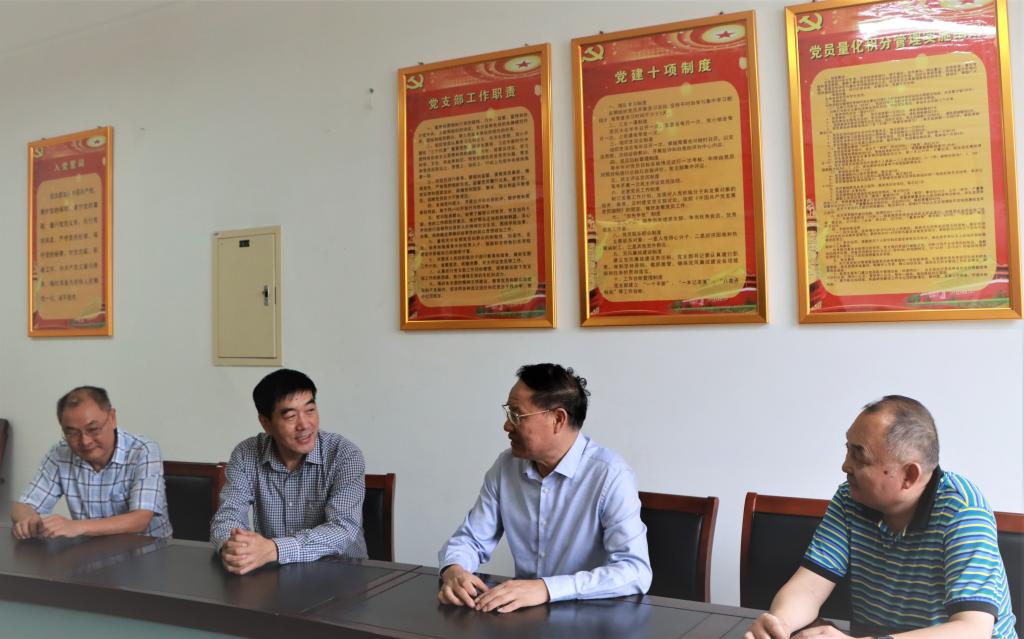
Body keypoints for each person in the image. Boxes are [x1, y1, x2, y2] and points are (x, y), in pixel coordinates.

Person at [744, 396, 1017, 639]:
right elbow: (808, 587)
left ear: (909, 475)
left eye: (859, 456)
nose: (845, 465)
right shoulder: (850, 498)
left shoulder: (963, 511)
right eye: (847, 449)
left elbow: (972, 630)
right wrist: (780, 624)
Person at [437, 363, 651, 613]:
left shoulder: (610, 475)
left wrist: (546, 588)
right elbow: (471, 539)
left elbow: (635, 571)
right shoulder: (507, 467)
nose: (507, 426)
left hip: (592, 616)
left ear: (558, 419)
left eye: (517, 415)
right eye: (508, 413)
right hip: (523, 616)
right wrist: (454, 569)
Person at [210, 368, 367, 575]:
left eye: (310, 410)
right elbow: (227, 516)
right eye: (291, 416)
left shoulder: (344, 455)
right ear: (266, 423)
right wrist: (233, 548)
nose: (305, 424)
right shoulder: (246, 454)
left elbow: (343, 529)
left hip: (342, 576)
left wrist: (274, 549)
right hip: (275, 576)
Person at [11, 386, 171, 539]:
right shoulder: (60, 453)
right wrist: (29, 521)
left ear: (112, 418)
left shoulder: (143, 450)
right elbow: (22, 507)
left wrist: (76, 526)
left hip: (148, 551)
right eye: (72, 433)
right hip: (91, 551)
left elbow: (141, 520)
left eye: (93, 429)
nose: (85, 441)